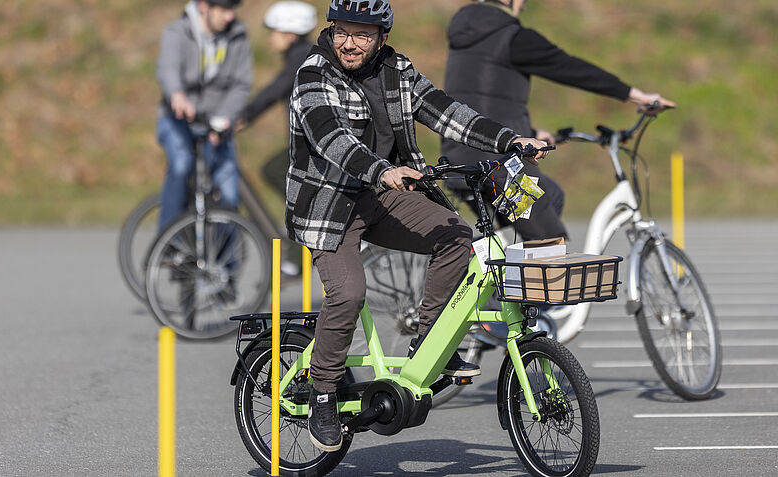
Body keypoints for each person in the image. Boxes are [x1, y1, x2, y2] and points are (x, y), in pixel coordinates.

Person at [288, 0, 550, 452]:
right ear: (332, 29)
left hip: (385, 195)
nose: (350, 43)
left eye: (363, 34)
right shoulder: (313, 75)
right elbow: (333, 139)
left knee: (457, 238)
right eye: (343, 31)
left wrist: (510, 140)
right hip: (330, 205)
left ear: (381, 37)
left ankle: (430, 345)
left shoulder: (396, 68)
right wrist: (380, 171)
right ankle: (323, 394)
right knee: (348, 294)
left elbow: (446, 111)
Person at [441, 0, 675, 240]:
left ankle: (506, 271)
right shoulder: (513, 38)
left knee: (551, 196)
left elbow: (478, 97)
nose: (523, 6)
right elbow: (569, 68)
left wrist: (528, 132)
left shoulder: (463, 38)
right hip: (501, 169)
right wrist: (636, 96)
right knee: (549, 242)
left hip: (459, 160)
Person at [155, 0, 253, 232]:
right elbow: (167, 69)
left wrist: (224, 118)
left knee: (228, 185)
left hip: (217, 122)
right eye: (223, 10)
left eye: (232, 10)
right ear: (203, 6)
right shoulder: (177, 31)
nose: (229, 16)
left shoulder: (237, 36)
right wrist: (177, 94)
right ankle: (169, 242)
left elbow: (241, 84)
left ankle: (225, 262)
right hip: (178, 119)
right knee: (181, 166)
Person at [235, 1, 317, 199]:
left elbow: (276, 89)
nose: (270, 38)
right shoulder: (306, 54)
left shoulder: (302, 58)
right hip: (312, 142)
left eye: (273, 32)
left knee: (275, 170)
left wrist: (245, 116)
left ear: (289, 35)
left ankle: (306, 213)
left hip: (313, 144)